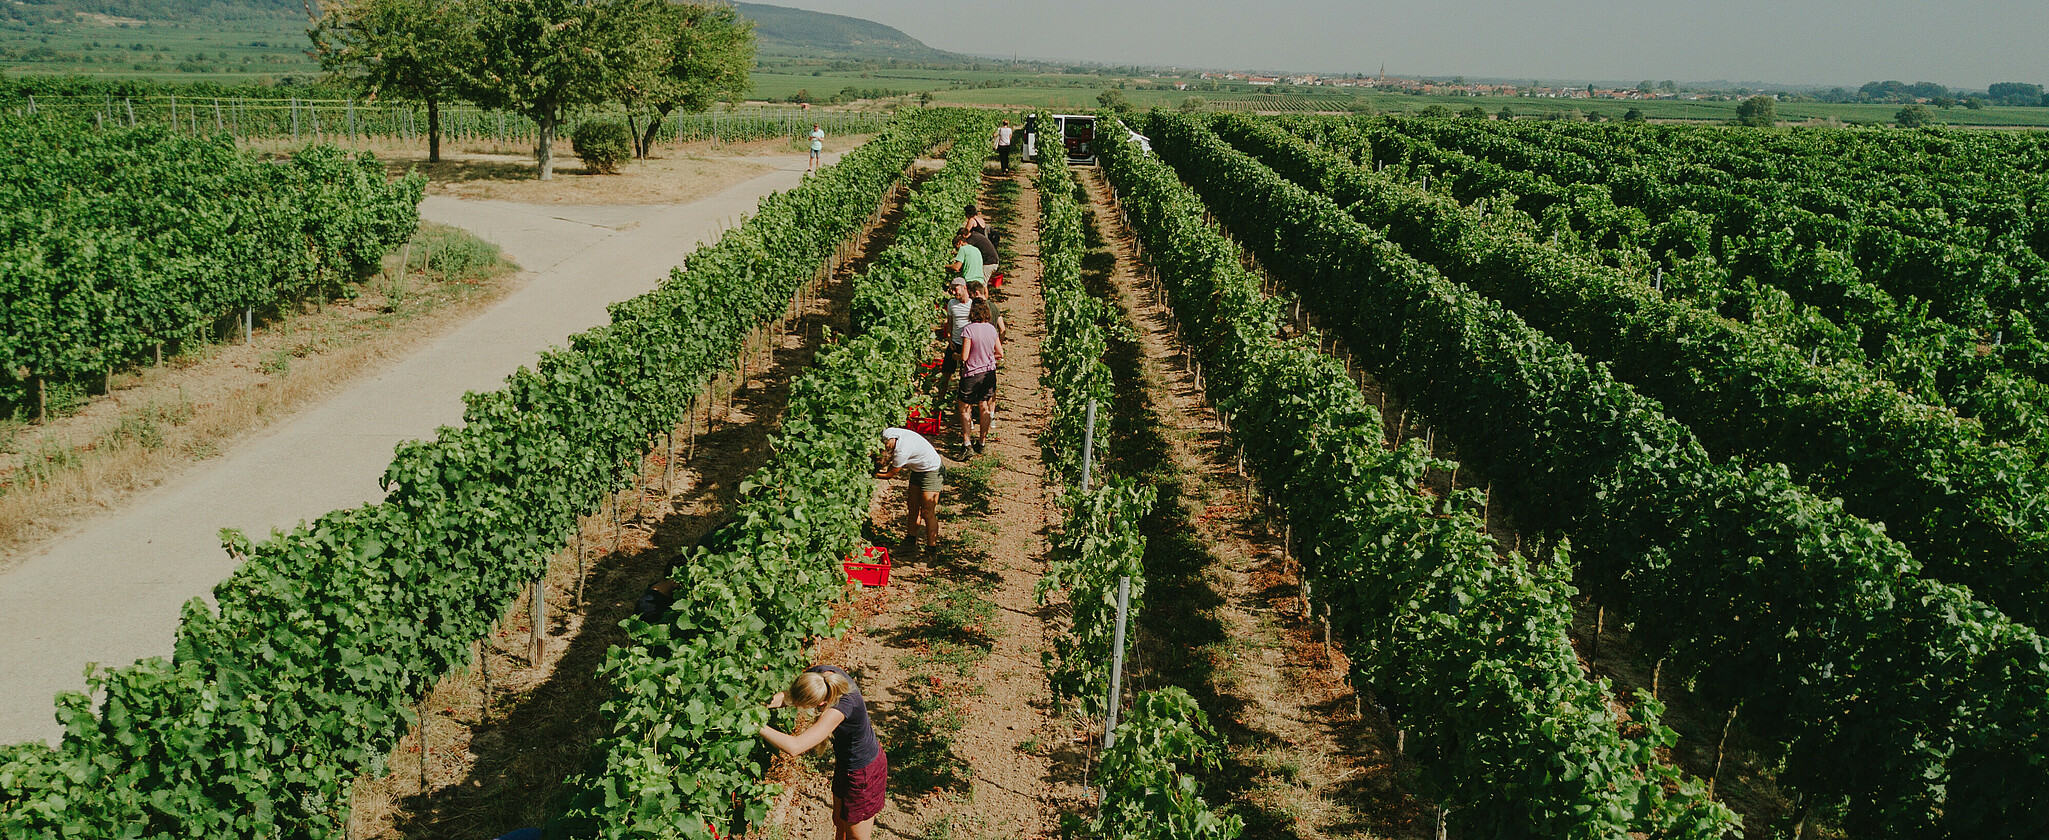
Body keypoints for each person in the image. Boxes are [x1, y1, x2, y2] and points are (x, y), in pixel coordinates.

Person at [761, 666, 888, 840]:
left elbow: (795, 746)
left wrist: (756, 725)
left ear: (821, 705)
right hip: (846, 764)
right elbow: (790, 696)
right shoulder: (820, 675)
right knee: (839, 820)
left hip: (864, 772)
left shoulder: (839, 709)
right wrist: (760, 705)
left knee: (856, 837)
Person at [875, 427, 941, 549]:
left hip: (932, 469)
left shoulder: (901, 453)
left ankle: (931, 549)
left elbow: (889, 475)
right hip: (918, 469)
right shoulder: (887, 434)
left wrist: (872, 474)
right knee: (912, 504)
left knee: (927, 511)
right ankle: (910, 541)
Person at [955, 301, 1001, 455]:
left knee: (964, 407)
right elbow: (1000, 353)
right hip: (989, 373)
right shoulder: (992, 329)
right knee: (985, 407)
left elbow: (964, 356)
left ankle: (967, 444)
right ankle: (981, 442)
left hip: (972, 374)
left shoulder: (968, 330)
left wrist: (956, 355)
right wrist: (987, 356)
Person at [935, 278, 972, 396]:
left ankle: (962, 401)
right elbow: (950, 322)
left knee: (966, 375)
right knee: (945, 373)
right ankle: (939, 400)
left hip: (968, 344)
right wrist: (949, 338)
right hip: (954, 342)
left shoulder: (973, 304)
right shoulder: (951, 303)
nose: (954, 293)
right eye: (952, 290)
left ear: (964, 287)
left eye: (956, 289)